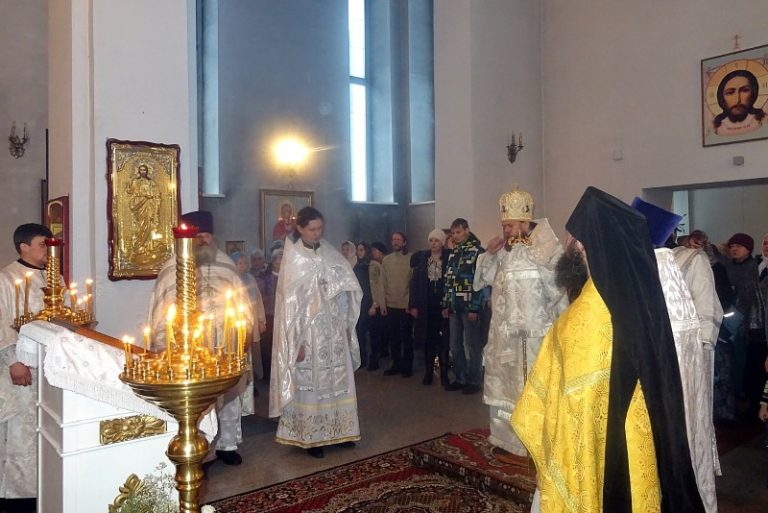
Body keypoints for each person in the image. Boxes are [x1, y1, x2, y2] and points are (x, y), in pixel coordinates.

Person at [512, 187, 705, 513]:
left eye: (571, 237)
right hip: (636, 439)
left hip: (599, 452)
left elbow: (566, 405)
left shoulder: (586, 314)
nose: (567, 244)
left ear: (585, 245)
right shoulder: (638, 300)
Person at [633, 197, 722, 513]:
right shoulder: (636, 263)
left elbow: (708, 308)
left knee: (683, 425)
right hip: (649, 361)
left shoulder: (690, 259)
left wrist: (698, 353)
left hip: (685, 360)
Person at [149, 211, 253, 466]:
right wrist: (162, 343)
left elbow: (240, 301)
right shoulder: (172, 267)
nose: (202, 241)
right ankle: (199, 451)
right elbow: (162, 305)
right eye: (197, 237)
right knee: (196, 401)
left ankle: (227, 444)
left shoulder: (226, 264)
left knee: (229, 394)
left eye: (206, 236)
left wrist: (245, 333)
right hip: (189, 346)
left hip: (224, 343)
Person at [474, 188, 567, 462]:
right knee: (506, 389)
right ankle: (509, 441)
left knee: (533, 389)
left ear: (526, 222)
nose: (506, 231)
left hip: (534, 335)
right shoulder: (505, 251)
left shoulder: (549, 247)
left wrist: (537, 257)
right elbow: (483, 280)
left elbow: (560, 287)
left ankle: (536, 443)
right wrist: (489, 255)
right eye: (504, 225)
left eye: (511, 225)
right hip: (504, 337)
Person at [268, 207, 362, 459]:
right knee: (313, 384)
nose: (317, 233)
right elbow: (289, 307)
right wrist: (294, 342)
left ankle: (340, 431)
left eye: (320, 228)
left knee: (337, 381)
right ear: (300, 228)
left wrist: (345, 323)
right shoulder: (293, 259)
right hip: (307, 334)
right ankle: (311, 438)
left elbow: (346, 290)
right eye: (312, 229)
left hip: (333, 330)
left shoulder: (330, 253)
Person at [0, 223, 54, 504]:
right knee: (20, 430)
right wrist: (14, 361)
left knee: (47, 428)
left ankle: (46, 489)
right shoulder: (6, 278)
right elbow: (2, 323)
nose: (49, 250)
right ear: (24, 247)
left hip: (49, 366)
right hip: (21, 367)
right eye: (43, 244)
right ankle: (17, 496)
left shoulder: (53, 277)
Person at [442, 218, 485, 394]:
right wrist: (446, 303)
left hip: (469, 307)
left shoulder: (478, 252)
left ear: (467, 230)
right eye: (453, 233)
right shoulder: (454, 252)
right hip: (454, 306)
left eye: (458, 232)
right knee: (455, 345)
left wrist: (475, 307)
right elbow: (449, 280)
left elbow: (480, 282)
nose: (455, 236)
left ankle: (474, 380)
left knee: (472, 345)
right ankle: (460, 377)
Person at [409, 229, 451, 387]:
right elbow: (414, 283)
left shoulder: (448, 258)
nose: (434, 244)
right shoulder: (422, 259)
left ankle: (444, 374)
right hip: (426, 305)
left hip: (443, 304)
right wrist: (413, 304)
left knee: (444, 340)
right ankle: (428, 373)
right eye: (431, 240)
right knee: (428, 339)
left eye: (437, 240)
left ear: (442, 242)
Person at [231, 251, 267, 380]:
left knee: (253, 350)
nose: (243, 266)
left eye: (245, 263)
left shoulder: (250, 278)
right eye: (239, 263)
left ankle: (254, 378)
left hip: (253, 319)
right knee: (241, 349)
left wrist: (261, 320)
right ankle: (242, 379)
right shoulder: (231, 279)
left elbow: (258, 299)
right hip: (238, 321)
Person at [382, 232, 413, 377]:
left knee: (406, 337)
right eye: (393, 239)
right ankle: (396, 364)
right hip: (391, 304)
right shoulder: (386, 260)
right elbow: (383, 282)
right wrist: (383, 303)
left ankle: (407, 366)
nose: (395, 242)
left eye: (398, 239)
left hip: (405, 305)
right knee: (393, 337)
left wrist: (411, 303)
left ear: (404, 242)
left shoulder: (411, 258)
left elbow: (412, 282)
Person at [713, 69, 766, 136]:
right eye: (730, 93)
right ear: (722, 98)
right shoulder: (718, 126)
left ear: (753, 94)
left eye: (744, 90)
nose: (737, 100)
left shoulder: (762, 120)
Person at [257, 249, 282, 381]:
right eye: (278, 258)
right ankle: (268, 375)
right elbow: (260, 295)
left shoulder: (288, 276)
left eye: (282, 258)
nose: (280, 261)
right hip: (269, 314)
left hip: (283, 315)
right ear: (273, 261)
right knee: (268, 346)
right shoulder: (264, 277)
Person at [366, 241, 388, 370]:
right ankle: (374, 360)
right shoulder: (374, 266)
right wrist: (375, 304)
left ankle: (383, 354)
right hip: (377, 304)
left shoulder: (384, 264)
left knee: (382, 333)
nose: (373, 253)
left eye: (375, 250)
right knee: (375, 334)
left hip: (386, 303)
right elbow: (376, 286)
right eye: (372, 250)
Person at [353, 242, 372, 367]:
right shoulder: (357, 266)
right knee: (359, 332)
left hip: (366, 301)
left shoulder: (366, 267)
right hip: (358, 301)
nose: (359, 252)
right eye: (357, 250)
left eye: (361, 250)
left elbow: (368, 287)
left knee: (362, 331)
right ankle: (361, 358)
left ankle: (364, 358)